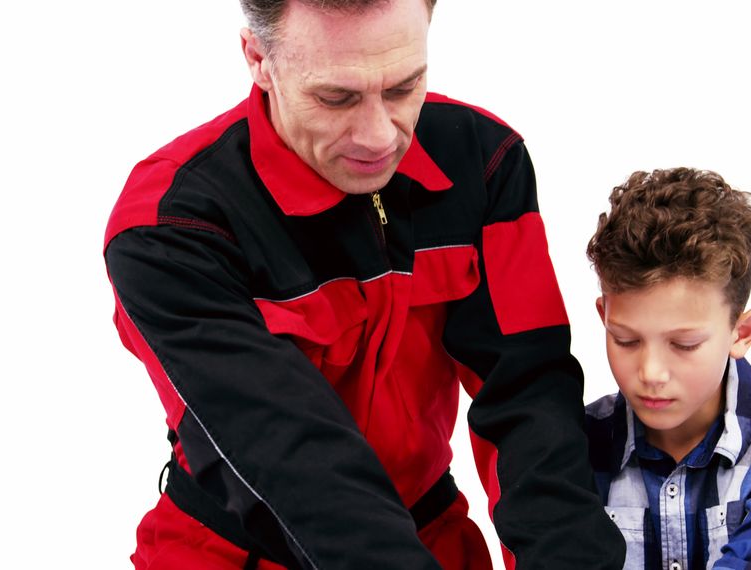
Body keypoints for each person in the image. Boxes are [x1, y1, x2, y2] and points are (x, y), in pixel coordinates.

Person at [103, 0, 625, 568]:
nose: (379, 137)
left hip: (431, 535)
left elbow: (528, 397)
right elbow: (288, 453)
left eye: (404, 88)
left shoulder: (485, 164)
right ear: (258, 58)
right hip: (231, 551)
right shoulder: (170, 226)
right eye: (336, 97)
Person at [583, 168, 751, 569]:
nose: (651, 372)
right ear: (604, 317)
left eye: (684, 345)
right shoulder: (578, 441)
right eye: (625, 339)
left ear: (742, 332)